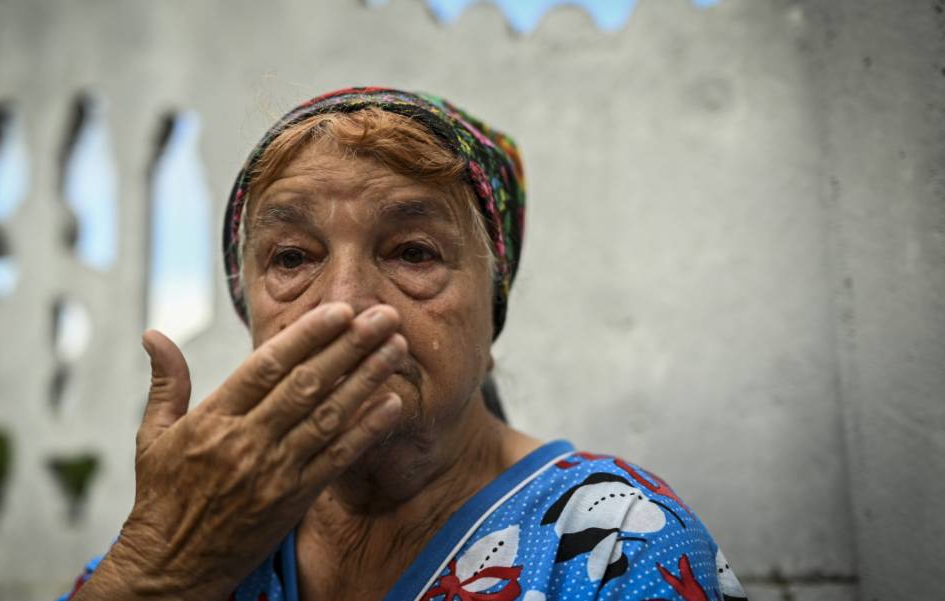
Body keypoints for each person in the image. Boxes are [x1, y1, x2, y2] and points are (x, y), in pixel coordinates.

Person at [60, 87, 747, 601]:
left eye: (414, 251)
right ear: (250, 315)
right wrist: (155, 568)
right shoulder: (202, 531)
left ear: (491, 316)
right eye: (294, 257)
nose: (344, 303)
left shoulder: (614, 544)